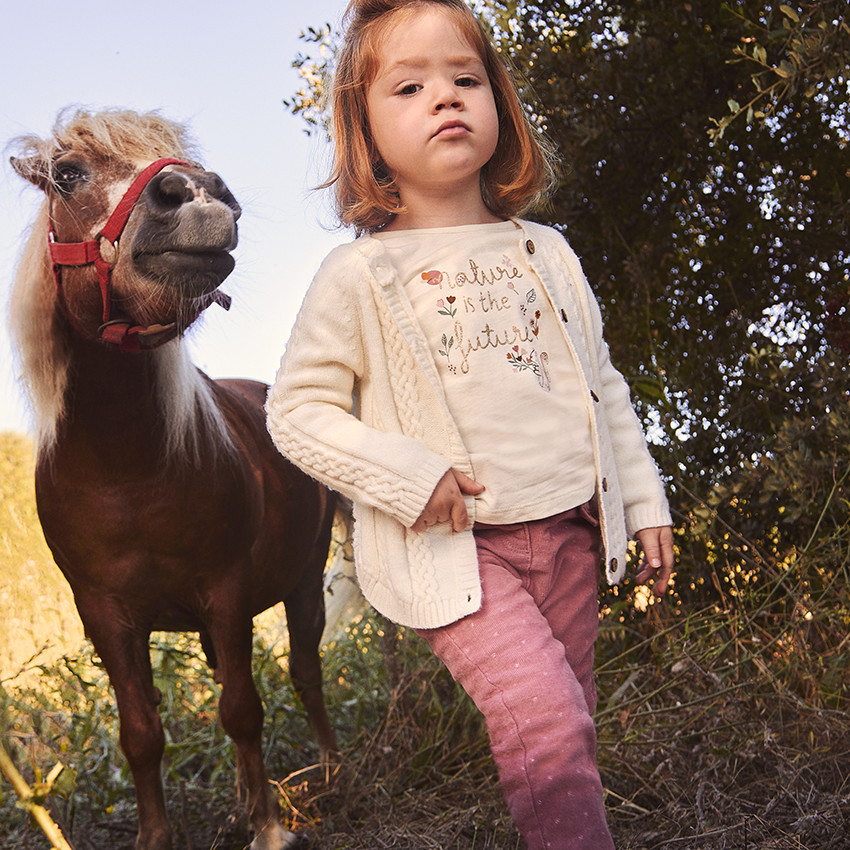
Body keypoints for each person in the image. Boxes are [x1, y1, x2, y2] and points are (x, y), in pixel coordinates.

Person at [266, 1, 675, 846]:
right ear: (366, 132)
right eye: (409, 86)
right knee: (550, 727)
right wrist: (411, 479)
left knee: (571, 727)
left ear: (500, 103)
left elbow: (603, 385)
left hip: (566, 529)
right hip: (455, 553)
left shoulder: (547, 251)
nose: (445, 99)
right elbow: (296, 413)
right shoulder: (360, 274)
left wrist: (646, 500)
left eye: (465, 79)